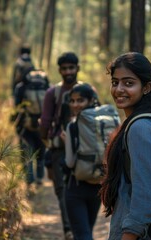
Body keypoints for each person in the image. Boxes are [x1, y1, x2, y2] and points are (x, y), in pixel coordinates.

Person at [100, 52, 151, 240]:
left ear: (146, 88)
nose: (119, 89)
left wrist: (128, 236)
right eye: (115, 82)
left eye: (129, 83)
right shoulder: (144, 122)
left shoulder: (141, 129)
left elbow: (145, 195)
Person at [40, 52, 82, 240]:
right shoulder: (52, 93)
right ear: (59, 70)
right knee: (62, 190)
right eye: (64, 68)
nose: (68, 72)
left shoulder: (88, 90)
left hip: (83, 150)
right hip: (58, 149)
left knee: (79, 189)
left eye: (71, 68)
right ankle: (69, 230)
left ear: (77, 68)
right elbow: (46, 120)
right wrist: (47, 142)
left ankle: (79, 228)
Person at [65, 83, 101, 240]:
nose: (75, 105)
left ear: (90, 100)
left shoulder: (72, 126)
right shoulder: (104, 122)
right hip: (98, 187)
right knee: (87, 233)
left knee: (82, 235)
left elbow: (70, 163)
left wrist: (67, 141)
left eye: (80, 100)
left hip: (76, 188)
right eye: (72, 101)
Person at [14, 69, 49, 188]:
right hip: (42, 125)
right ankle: (40, 179)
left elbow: (17, 106)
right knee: (41, 151)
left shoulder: (21, 87)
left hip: (26, 125)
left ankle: (29, 183)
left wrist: (16, 123)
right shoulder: (46, 85)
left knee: (27, 152)